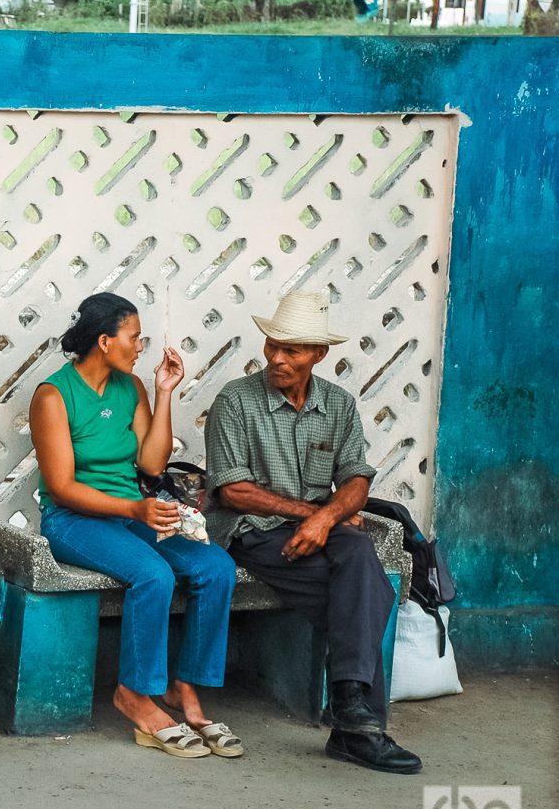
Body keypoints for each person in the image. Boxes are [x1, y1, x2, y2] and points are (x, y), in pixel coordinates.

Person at [203, 289, 422, 774]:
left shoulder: (339, 405)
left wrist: (325, 518)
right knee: (367, 593)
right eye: (272, 346)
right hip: (253, 531)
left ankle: (352, 721)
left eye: (293, 350)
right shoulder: (235, 402)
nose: (278, 358)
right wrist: (315, 513)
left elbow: (357, 479)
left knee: (359, 559)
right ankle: (359, 727)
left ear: (319, 354)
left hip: (317, 529)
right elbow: (233, 492)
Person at [30, 292, 241, 760]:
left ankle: (182, 689)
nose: (141, 346)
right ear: (105, 341)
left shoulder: (132, 389)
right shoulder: (53, 396)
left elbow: (150, 463)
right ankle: (134, 694)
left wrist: (165, 393)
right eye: (134, 338)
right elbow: (62, 486)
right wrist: (133, 511)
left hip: (131, 513)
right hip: (74, 521)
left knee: (215, 567)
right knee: (154, 574)